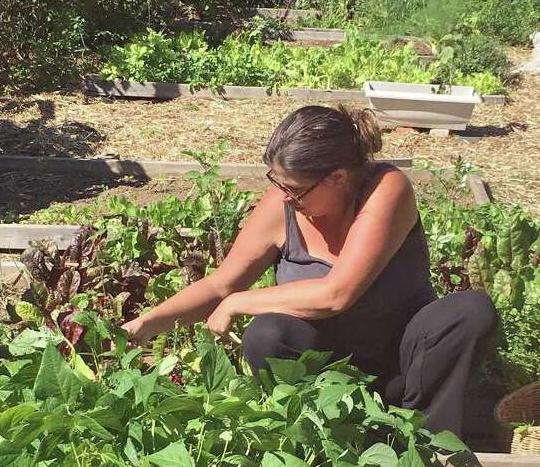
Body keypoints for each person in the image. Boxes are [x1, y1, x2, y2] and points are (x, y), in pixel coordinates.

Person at [120, 105, 497, 438]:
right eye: (278, 182)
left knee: (470, 312)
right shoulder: (283, 202)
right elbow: (220, 284)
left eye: (296, 189)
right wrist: (145, 324)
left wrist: (239, 302)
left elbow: (337, 294)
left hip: (402, 361)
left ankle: (425, 440)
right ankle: (316, 433)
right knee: (268, 334)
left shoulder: (386, 188)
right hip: (325, 370)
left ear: (337, 177)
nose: (285, 196)